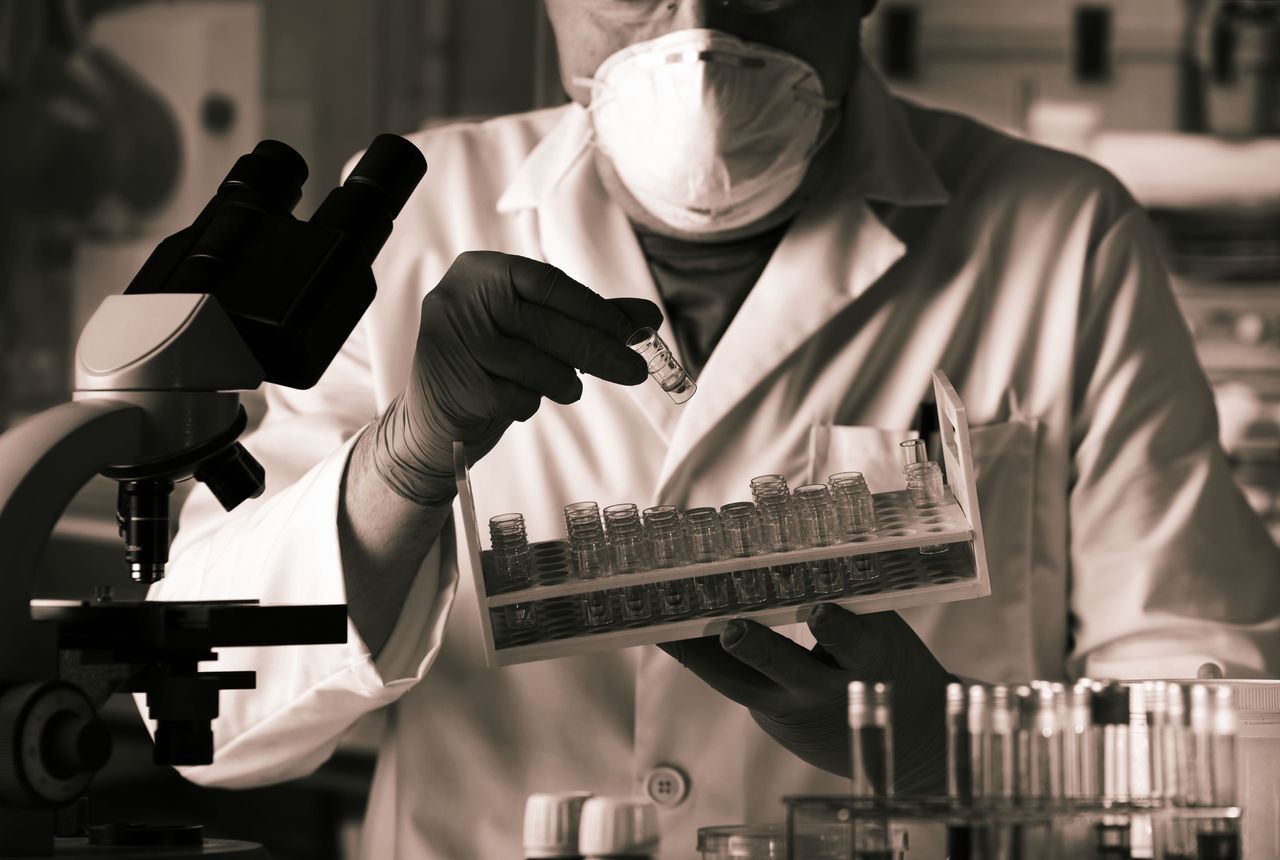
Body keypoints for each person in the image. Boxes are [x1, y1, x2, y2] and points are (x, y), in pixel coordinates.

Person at [145, 1, 1280, 857]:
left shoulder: (1062, 235)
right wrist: (397, 464)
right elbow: (199, 705)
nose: (694, 39)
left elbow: (1220, 732)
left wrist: (955, 752)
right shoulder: (420, 209)